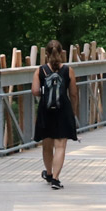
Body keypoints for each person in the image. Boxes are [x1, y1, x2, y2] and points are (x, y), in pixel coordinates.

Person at [34, 39, 78, 188]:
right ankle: (56, 179)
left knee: (47, 145)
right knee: (60, 146)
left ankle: (49, 173)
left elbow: (34, 91)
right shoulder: (68, 70)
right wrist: (73, 110)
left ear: (46, 54)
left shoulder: (40, 70)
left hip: (45, 111)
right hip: (62, 110)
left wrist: (46, 95)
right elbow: (73, 94)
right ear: (61, 53)